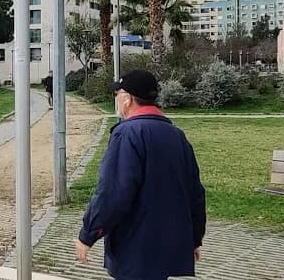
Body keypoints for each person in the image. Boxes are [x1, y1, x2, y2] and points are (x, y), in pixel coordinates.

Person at [76, 70, 206, 280]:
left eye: (117, 94)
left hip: (135, 246)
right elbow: (195, 192)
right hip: (165, 245)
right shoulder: (176, 136)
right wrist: (194, 238)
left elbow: (113, 192)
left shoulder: (127, 134)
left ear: (127, 99)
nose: (115, 100)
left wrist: (88, 234)